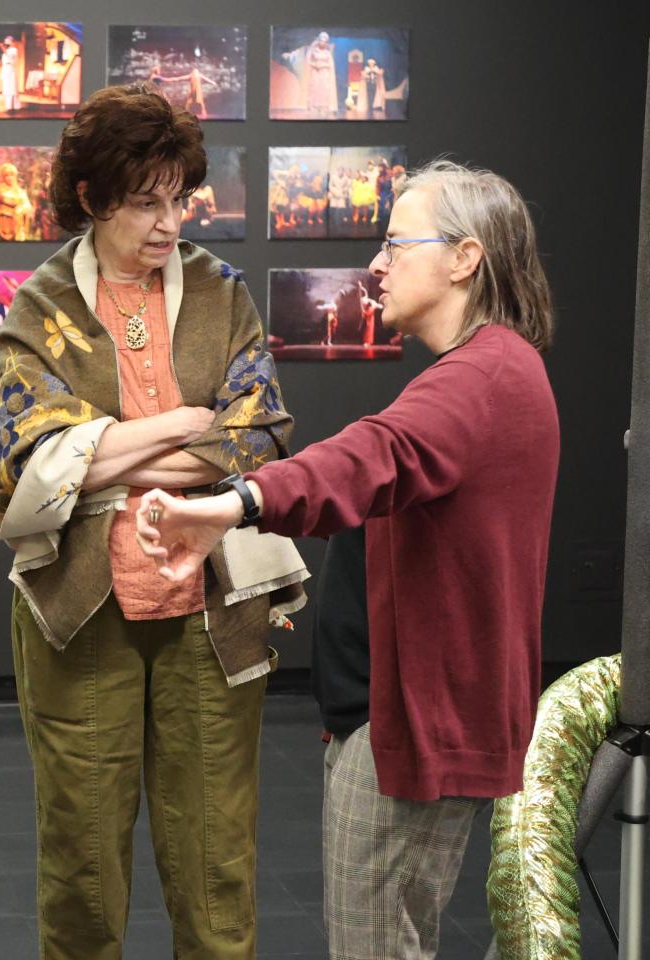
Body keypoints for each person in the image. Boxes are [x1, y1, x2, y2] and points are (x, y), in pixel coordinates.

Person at [135, 160, 559, 960]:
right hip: (398, 716)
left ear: (466, 258)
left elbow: (374, 456)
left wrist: (234, 503)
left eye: (398, 244)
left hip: (411, 727)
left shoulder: (486, 373)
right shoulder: (490, 371)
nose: (377, 262)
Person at [0, 84, 307, 960]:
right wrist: (181, 424)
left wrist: (99, 454)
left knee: (217, 867)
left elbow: (265, 434)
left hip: (212, 609)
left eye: (181, 198)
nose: (169, 223)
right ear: (91, 198)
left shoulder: (220, 289)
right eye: (145, 201)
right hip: (81, 610)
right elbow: (25, 470)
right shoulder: (39, 308)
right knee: (83, 867)